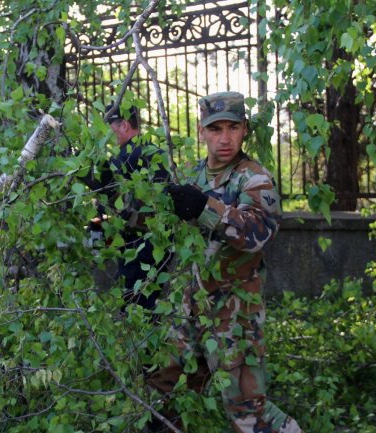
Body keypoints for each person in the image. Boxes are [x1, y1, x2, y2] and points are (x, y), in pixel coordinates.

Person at [149, 91, 303, 432]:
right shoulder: (193, 175)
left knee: (247, 411)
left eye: (232, 128)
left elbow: (258, 232)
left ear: (244, 129)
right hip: (188, 308)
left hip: (234, 315)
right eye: (215, 129)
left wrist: (204, 208)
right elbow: (163, 229)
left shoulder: (253, 178)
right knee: (161, 392)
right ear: (201, 132)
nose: (224, 138)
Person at [81, 103, 171, 310]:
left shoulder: (127, 157)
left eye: (109, 129)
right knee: (148, 300)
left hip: (138, 241)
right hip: (155, 240)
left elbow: (108, 193)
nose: (107, 136)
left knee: (136, 303)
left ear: (123, 126)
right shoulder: (155, 151)